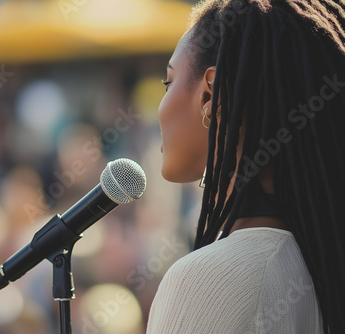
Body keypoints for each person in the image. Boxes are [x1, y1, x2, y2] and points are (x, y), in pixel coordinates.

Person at [147, 0, 345, 333]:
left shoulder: (209, 280)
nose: (160, 108)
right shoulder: (319, 265)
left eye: (168, 83)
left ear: (211, 96)